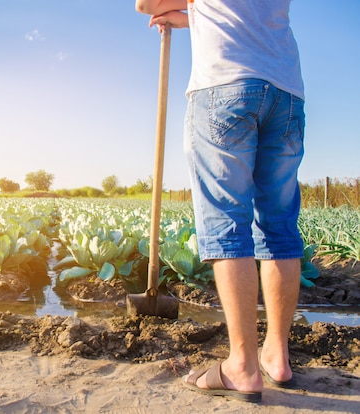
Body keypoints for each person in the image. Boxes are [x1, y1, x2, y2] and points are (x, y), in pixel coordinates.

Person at [135, 0, 305, 403]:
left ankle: (242, 367)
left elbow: (145, 3)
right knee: (279, 225)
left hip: (225, 87)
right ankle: (277, 356)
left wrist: (182, 6)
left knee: (227, 223)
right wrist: (191, 15)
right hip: (285, 92)